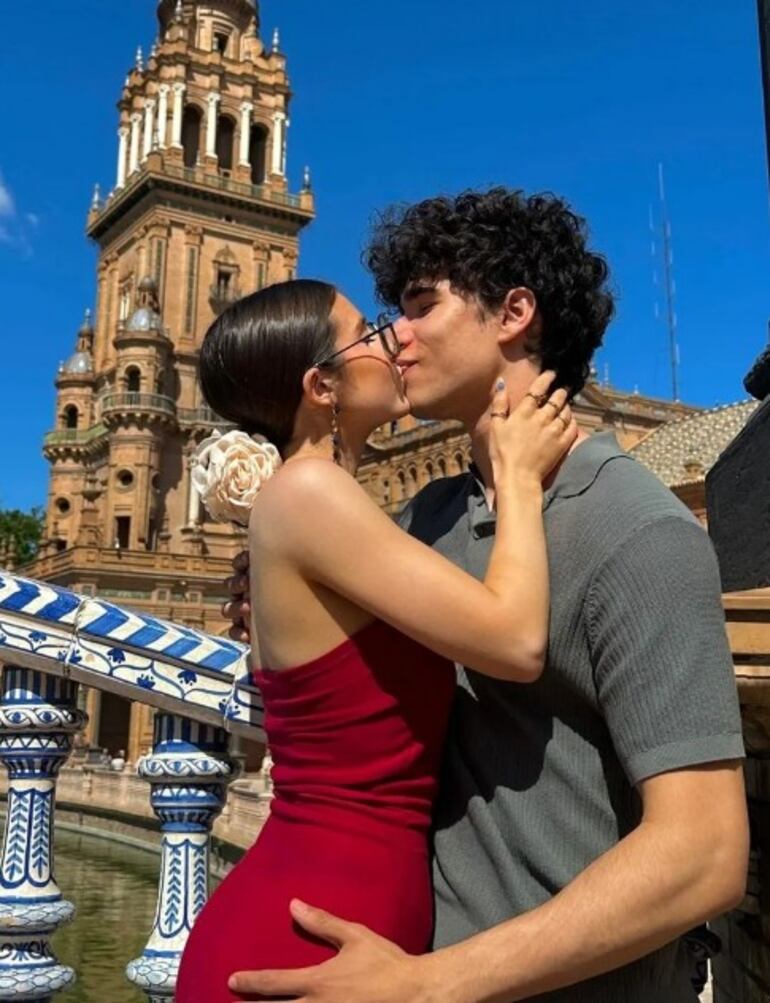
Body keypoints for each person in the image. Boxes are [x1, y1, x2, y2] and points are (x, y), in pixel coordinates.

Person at [226, 189, 749, 1002]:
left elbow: (705, 853)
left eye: (420, 307)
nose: (393, 337)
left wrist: (430, 982)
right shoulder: (421, 521)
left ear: (513, 313)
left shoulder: (635, 528)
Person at [175, 278, 577, 1002]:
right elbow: (516, 642)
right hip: (303, 935)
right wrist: (517, 478)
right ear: (321, 386)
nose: (395, 340)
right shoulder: (309, 493)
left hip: (337, 924)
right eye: (368, 332)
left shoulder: (318, 508)